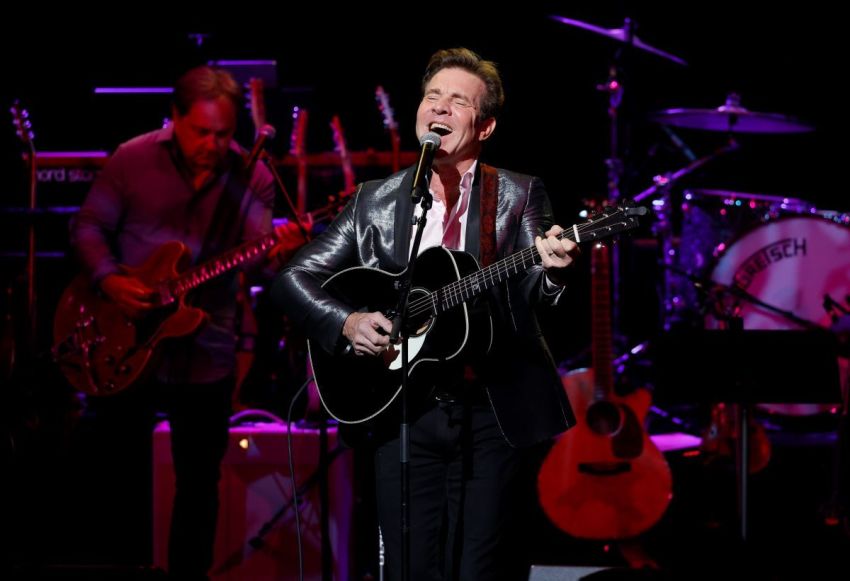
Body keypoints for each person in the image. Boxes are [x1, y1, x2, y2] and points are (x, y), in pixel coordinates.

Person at [272, 47, 579, 581]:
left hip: (493, 409)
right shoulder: (375, 200)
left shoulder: (517, 193)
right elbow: (293, 279)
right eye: (432, 96)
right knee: (410, 569)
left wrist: (552, 269)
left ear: (484, 127)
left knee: (484, 569)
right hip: (402, 410)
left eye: (457, 101)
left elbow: (537, 291)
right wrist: (346, 323)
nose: (438, 108)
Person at [71, 65, 301, 579]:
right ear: (174, 118)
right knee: (118, 471)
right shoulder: (133, 159)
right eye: (202, 132)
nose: (213, 144)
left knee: (199, 482)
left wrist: (283, 252)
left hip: (205, 346)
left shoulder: (253, 177)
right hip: (123, 338)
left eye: (223, 133)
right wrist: (110, 280)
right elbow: (88, 226)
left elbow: (260, 259)